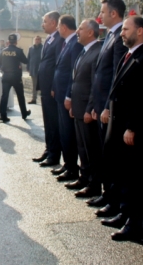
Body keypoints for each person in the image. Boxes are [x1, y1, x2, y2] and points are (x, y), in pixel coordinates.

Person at [99, 15, 143, 243]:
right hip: (120, 125)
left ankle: (135, 224)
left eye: (126, 29)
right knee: (123, 174)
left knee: (135, 178)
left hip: (133, 129)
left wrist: (132, 127)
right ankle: (125, 213)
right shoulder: (128, 55)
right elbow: (117, 89)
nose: (122, 33)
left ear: (140, 31)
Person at [86, 0, 128, 209]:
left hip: (109, 108)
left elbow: (116, 75)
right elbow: (99, 74)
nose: (99, 15)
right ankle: (107, 193)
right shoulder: (110, 36)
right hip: (101, 105)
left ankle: (115, 199)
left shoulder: (121, 36)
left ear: (113, 13)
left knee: (113, 156)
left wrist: (106, 106)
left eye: (102, 12)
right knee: (104, 153)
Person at [65, 19, 103, 197]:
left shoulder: (97, 52)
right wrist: (73, 102)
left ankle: (94, 185)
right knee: (82, 147)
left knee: (91, 149)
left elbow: (95, 85)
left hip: (87, 109)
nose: (77, 31)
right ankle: (84, 177)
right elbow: (76, 79)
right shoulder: (83, 51)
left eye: (80, 29)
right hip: (78, 106)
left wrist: (89, 109)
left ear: (90, 32)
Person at [51, 15, 83, 181]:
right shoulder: (66, 43)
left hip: (66, 96)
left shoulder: (75, 44)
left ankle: (72, 168)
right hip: (60, 93)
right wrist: (55, 88)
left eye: (58, 26)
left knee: (69, 133)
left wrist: (68, 95)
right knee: (63, 132)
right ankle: (67, 164)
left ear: (64, 26)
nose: (57, 29)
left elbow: (73, 72)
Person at [32, 11, 64, 167]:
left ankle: (54, 154)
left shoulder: (59, 40)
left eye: (44, 21)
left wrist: (54, 86)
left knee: (53, 122)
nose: (42, 24)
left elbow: (59, 65)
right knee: (47, 121)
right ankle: (48, 148)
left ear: (53, 23)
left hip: (52, 88)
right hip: (45, 86)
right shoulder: (49, 38)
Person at [0, 33, 30, 122]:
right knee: (20, 95)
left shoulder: (3, 51)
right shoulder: (19, 51)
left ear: (8, 41)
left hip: (6, 76)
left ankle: (2, 115)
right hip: (16, 76)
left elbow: (0, 62)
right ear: (16, 41)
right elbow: (25, 61)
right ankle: (24, 113)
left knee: (4, 96)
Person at [27, 36, 42, 104]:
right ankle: (34, 99)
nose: (37, 40)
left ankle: (43, 99)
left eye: (39, 39)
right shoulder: (31, 48)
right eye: (36, 39)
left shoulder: (43, 48)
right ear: (34, 40)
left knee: (42, 85)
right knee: (34, 85)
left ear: (40, 40)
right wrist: (28, 68)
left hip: (41, 70)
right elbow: (28, 58)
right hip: (33, 69)